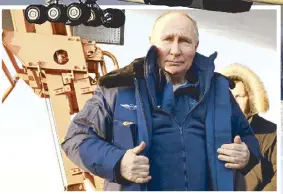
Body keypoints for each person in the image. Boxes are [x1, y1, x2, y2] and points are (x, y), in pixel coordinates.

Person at [61, 11, 260, 191]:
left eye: (184, 41)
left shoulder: (219, 91)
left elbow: (248, 138)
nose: (175, 50)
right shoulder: (118, 88)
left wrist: (247, 154)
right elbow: (76, 138)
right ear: (152, 43)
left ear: (196, 46)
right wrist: (118, 162)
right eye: (167, 40)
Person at [221, 64, 277, 191]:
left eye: (239, 96)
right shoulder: (209, 130)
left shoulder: (272, 133)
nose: (233, 103)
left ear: (251, 98)